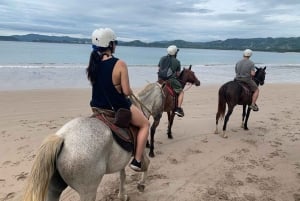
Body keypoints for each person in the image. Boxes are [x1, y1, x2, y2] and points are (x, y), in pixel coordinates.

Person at [86, 28, 149, 171]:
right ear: (110, 44)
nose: (116, 45)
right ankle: (137, 161)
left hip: (97, 107)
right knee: (145, 124)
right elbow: (126, 92)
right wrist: (129, 91)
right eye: (115, 43)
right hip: (115, 107)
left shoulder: (93, 63)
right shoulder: (119, 63)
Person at [157, 45, 185, 117]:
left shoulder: (162, 58)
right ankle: (178, 109)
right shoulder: (177, 62)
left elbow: (159, 68)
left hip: (160, 79)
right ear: (175, 53)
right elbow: (178, 74)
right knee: (181, 92)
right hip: (170, 80)